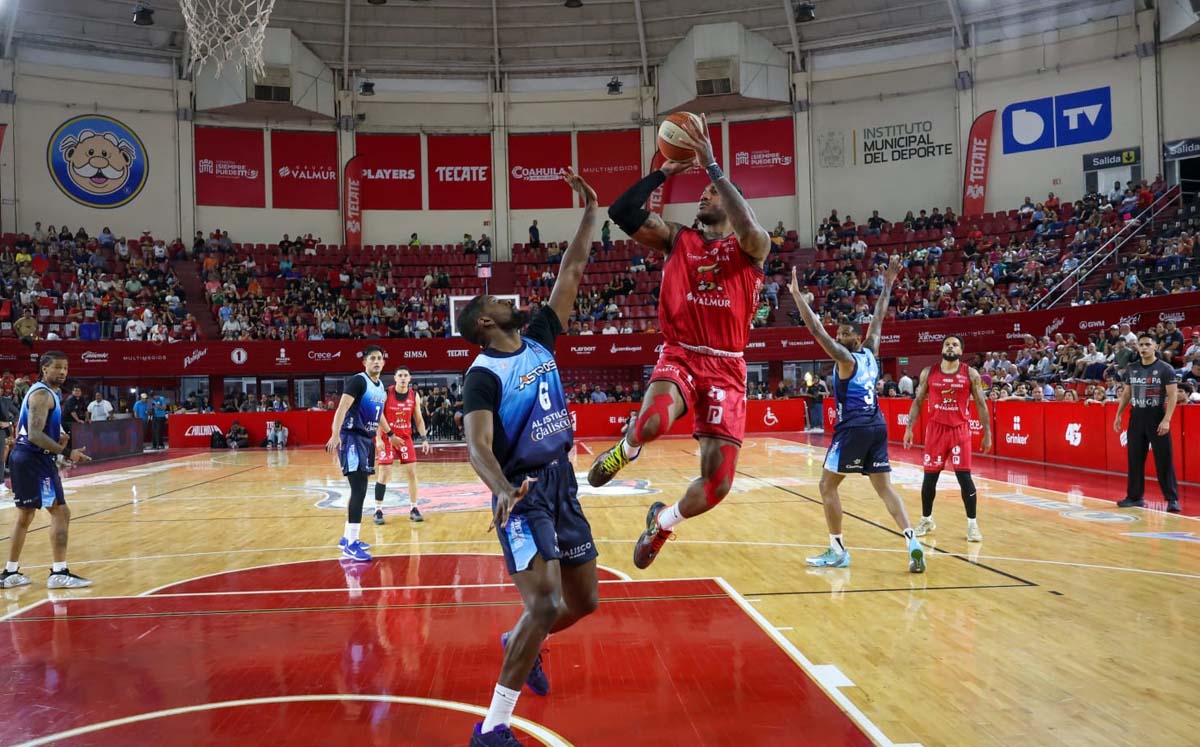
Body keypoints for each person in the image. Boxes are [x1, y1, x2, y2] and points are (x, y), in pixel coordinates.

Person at [585, 113, 771, 570]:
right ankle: (624, 451)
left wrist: (712, 167)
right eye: (705, 190)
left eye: (713, 193)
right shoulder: (677, 240)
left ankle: (662, 523)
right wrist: (662, 174)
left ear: (732, 204)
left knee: (719, 484)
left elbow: (750, 231)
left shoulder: (753, 247)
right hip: (682, 354)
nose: (704, 195)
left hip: (727, 367)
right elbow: (621, 213)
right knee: (650, 424)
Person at [459, 168, 599, 747]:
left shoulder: (541, 333)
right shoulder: (481, 376)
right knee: (544, 603)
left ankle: (523, 639)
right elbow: (477, 445)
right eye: (496, 300)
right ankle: (491, 728)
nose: (506, 299)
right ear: (485, 322)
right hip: (523, 493)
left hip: (562, 482)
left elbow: (572, 270)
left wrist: (590, 212)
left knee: (583, 600)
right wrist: (498, 487)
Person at [788, 259, 926, 572]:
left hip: (854, 429)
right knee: (884, 488)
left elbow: (816, 330)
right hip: (877, 425)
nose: (840, 334)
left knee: (827, 486)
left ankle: (837, 549)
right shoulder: (871, 352)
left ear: (851, 337)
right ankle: (912, 541)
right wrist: (888, 283)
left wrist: (798, 297)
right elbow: (878, 318)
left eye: (844, 331)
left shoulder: (845, 359)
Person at [1, 351, 92, 590]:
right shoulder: (42, 395)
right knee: (61, 513)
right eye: (57, 367)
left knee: (25, 515)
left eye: (66, 368)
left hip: (26, 459)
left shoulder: (49, 393)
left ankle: (9, 573)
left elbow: (39, 430)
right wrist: (67, 452)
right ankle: (59, 572)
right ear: (44, 369)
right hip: (34, 461)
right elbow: (34, 434)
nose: (62, 372)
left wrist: (58, 438)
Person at [903, 335, 993, 542]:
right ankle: (926, 519)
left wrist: (987, 433)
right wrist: (910, 427)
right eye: (947, 344)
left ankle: (972, 525)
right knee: (929, 478)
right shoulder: (929, 372)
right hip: (935, 431)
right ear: (942, 348)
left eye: (955, 345)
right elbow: (917, 401)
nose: (950, 347)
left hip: (960, 430)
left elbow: (981, 404)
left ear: (961, 351)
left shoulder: (970, 373)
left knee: (964, 478)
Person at [325, 346, 403, 562]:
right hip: (351, 437)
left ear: (384, 362)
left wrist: (390, 434)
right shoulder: (358, 381)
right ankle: (351, 543)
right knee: (359, 489)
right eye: (372, 359)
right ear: (365, 363)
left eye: (380, 358)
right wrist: (335, 435)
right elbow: (341, 408)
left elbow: (378, 416)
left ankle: (347, 537)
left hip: (366, 440)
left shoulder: (380, 389)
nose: (377, 361)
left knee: (359, 489)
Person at [1115, 334, 1180, 512]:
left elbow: (1173, 395)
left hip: (1157, 417)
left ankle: (1172, 499)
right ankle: (1134, 497)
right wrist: (1118, 414)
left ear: (1155, 347)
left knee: (1163, 460)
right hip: (1136, 417)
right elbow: (1127, 394)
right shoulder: (1132, 368)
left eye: (1147, 344)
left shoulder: (1165, 368)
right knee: (1134, 460)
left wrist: (1167, 419)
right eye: (1140, 344)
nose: (1143, 348)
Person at [373, 367, 431, 525]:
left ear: (410, 378)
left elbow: (418, 419)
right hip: (387, 437)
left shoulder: (414, 395)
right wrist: (378, 438)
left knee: (412, 472)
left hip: (405, 438)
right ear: (395, 378)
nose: (403, 378)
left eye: (406, 375)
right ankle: (378, 510)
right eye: (400, 375)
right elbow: (378, 416)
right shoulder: (386, 393)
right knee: (384, 473)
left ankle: (414, 508)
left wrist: (424, 438)